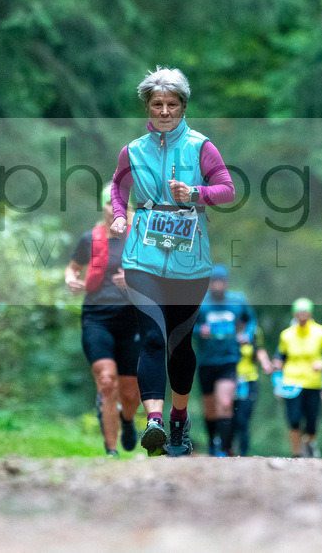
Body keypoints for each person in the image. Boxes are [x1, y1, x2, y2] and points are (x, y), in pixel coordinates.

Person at [109, 67, 235, 456]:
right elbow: (118, 186)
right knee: (151, 337)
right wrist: (119, 214)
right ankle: (155, 422)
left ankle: (179, 418)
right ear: (147, 107)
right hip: (142, 257)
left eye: (172, 104)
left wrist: (195, 193)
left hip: (190, 262)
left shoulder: (201, 147)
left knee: (179, 346)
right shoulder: (133, 150)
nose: (164, 111)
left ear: (183, 107)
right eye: (157, 104)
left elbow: (227, 190)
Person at [65, 189, 141, 457]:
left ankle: (128, 420)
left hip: (133, 320)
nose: (114, 207)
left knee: (131, 393)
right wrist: (71, 279)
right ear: (103, 207)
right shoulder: (90, 239)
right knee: (107, 381)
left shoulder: (140, 236)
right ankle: (111, 450)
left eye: (120, 202)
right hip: (97, 317)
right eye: (110, 202)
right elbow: (73, 267)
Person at [193, 264, 265, 456]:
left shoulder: (237, 300)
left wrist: (247, 334)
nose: (218, 286)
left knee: (225, 403)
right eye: (214, 282)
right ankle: (212, 442)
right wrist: (200, 331)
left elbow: (251, 321)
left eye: (221, 282)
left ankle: (225, 448)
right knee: (210, 409)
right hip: (207, 361)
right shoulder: (200, 302)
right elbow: (186, 326)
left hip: (229, 359)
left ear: (226, 282)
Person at [273, 298, 322, 458]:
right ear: (295, 314)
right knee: (294, 419)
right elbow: (279, 362)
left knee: (312, 421)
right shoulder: (286, 335)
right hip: (291, 383)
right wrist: (277, 384)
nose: (302, 316)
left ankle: (310, 444)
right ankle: (296, 454)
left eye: (305, 312)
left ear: (310, 313)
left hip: (313, 382)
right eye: (300, 313)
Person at [231, 292, 272, 457]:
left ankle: (243, 454)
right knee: (228, 419)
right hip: (227, 380)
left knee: (242, 419)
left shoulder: (254, 332)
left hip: (249, 380)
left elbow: (259, 350)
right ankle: (227, 451)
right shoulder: (226, 327)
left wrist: (266, 363)